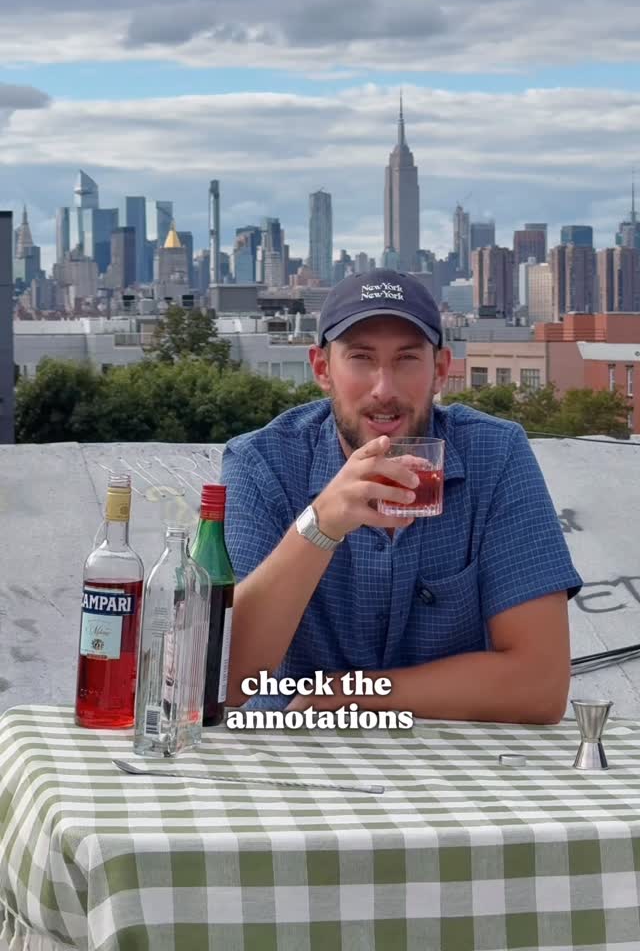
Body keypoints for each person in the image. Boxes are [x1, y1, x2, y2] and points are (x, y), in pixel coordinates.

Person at [221, 269, 582, 723]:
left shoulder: (494, 454)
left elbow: (541, 685)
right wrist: (321, 524)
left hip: (453, 753)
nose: (384, 390)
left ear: (441, 370)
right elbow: (223, 680)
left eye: (407, 359)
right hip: (288, 743)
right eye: (361, 358)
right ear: (322, 369)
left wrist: (351, 694)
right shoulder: (262, 462)